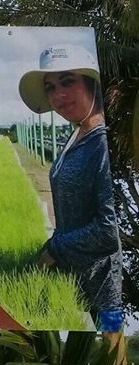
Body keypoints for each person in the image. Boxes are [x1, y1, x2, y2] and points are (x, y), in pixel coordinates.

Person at [17, 44, 123, 332]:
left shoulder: (100, 143)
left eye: (67, 82)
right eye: (50, 87)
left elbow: (108, 229)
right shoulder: (77, 134)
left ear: (91, 84)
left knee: (111, 362)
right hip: (74, 282)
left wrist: (54, 249)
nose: (58, 96)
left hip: (104, 292)